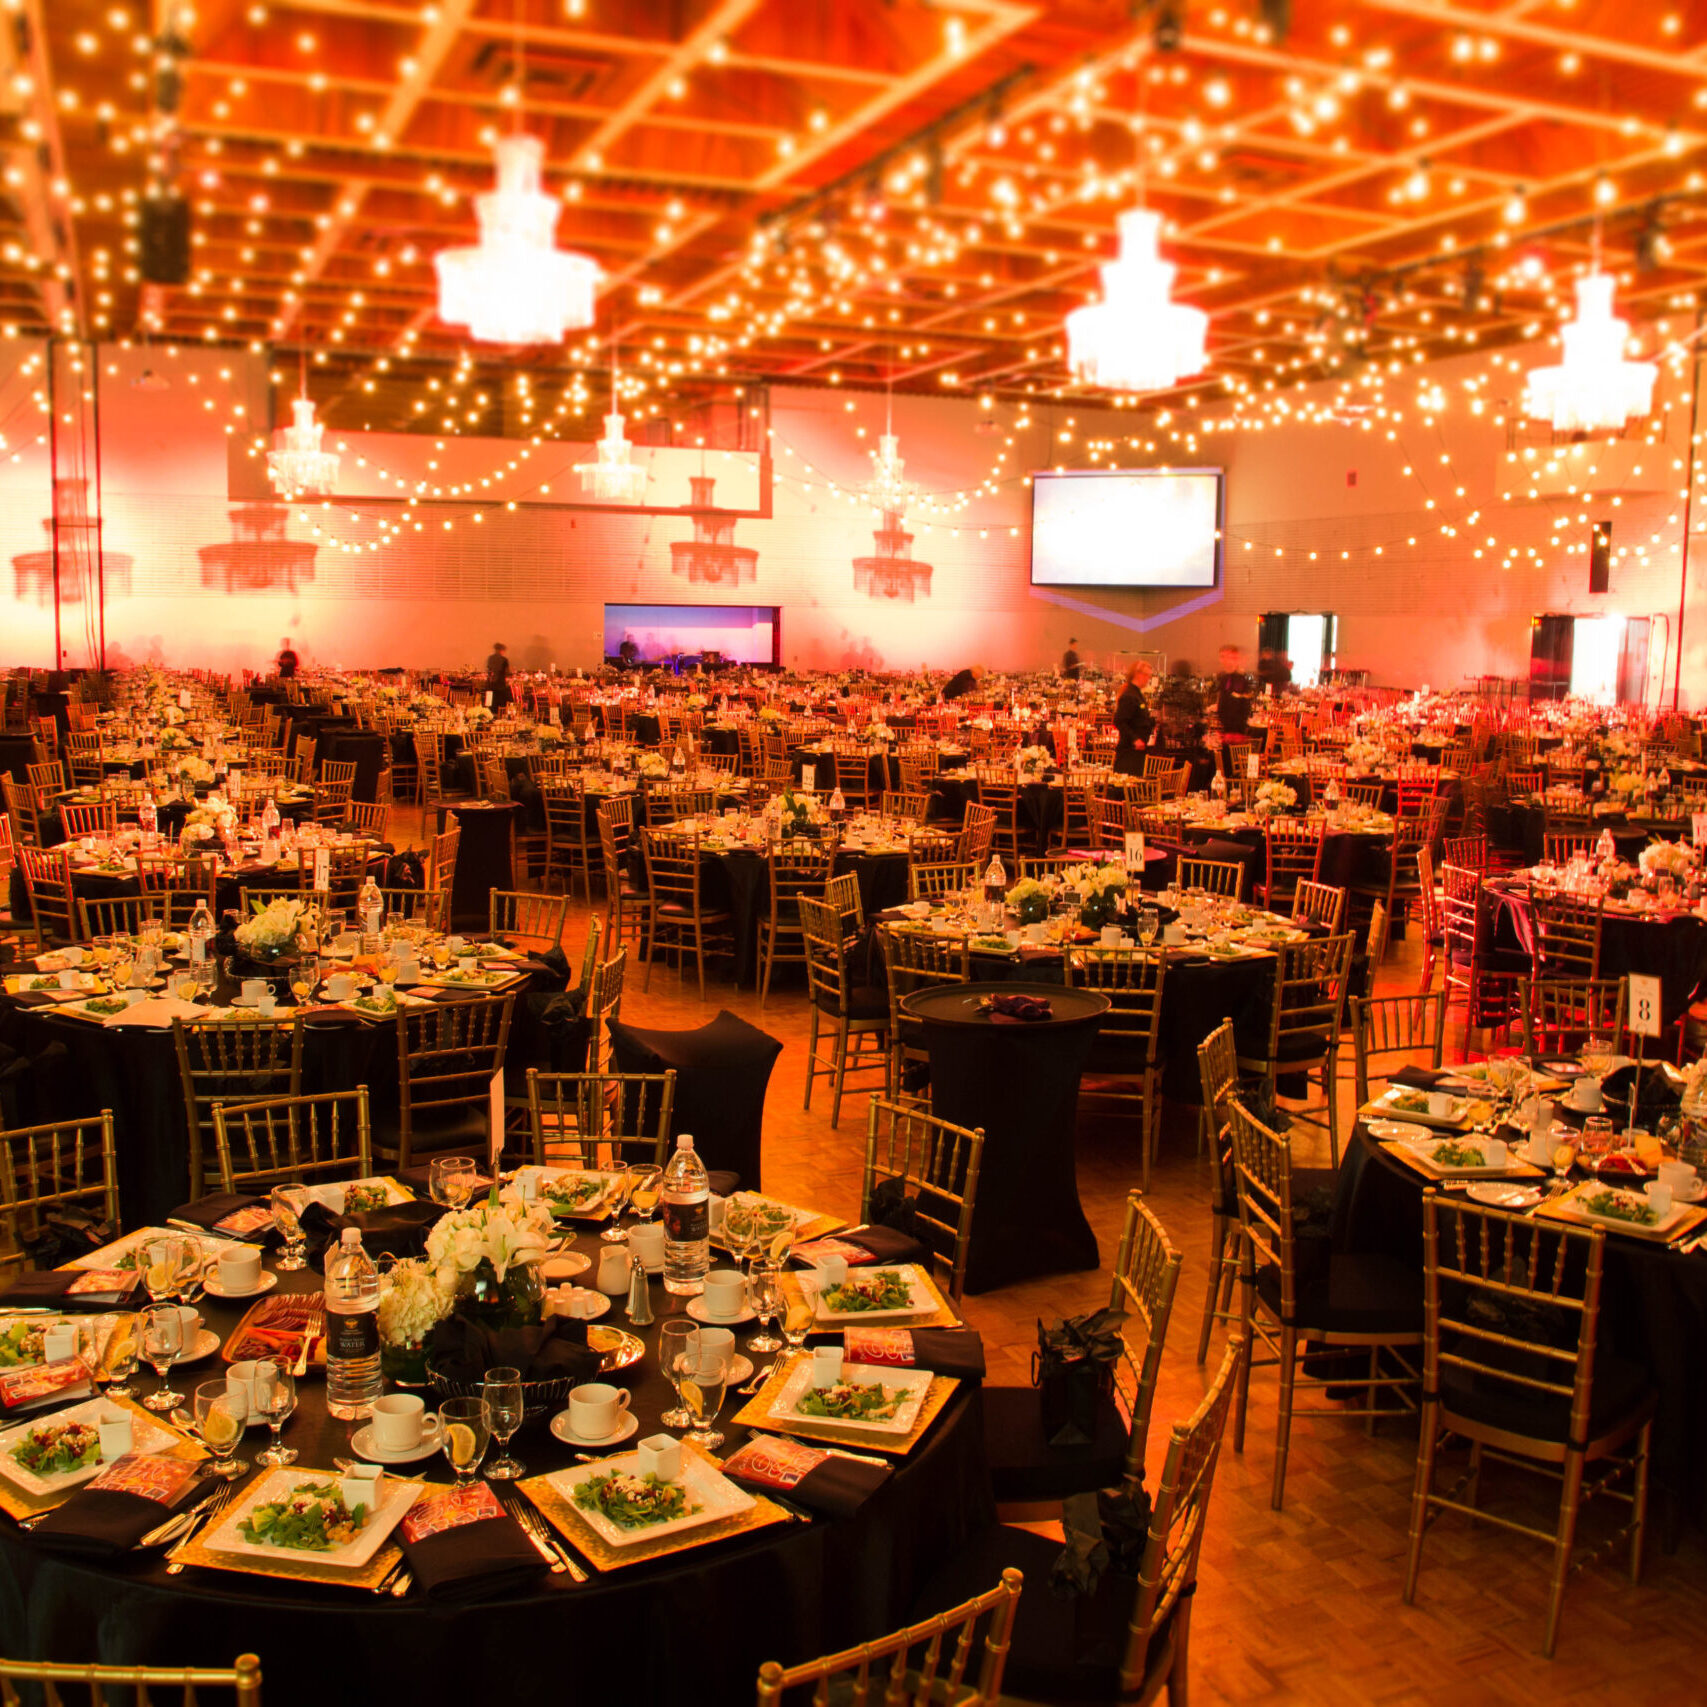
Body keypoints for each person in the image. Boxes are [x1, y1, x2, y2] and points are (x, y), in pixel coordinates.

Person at [1112, 660, 1155, 776]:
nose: (1148, 679)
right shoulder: (1130, 696)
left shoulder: (1137, 694)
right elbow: (1119, 721)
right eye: (1146, 675)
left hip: (1137, 752)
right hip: (1129, 752)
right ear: (1138, 674)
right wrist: (1135, 739)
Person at [1214, 645, 1253, 736]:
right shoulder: (1224, 678)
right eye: (1222, 657)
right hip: (1227, 728)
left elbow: (1240, 705)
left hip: (1235, 731)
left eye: (1228, 657)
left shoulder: (1239, 679)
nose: (1223, 660)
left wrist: (1235, 731)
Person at [485, 641, 512, 712]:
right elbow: (507, 672)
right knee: (501, 703)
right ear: (501, 650)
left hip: (491, 685)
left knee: (492, 704)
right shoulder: (504, 660)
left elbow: (489, 670)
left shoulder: (490, 658)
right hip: (501, 685)